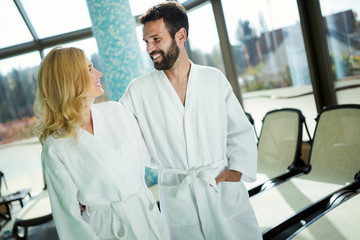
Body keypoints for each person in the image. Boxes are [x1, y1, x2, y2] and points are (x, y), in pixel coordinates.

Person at [120, 1, 262, 239]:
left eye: (156, 39)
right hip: (179, 198)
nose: (149, 48)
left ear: (181, 35)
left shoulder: (213, 79)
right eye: (146, 41)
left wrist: (237, 169)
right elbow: (115, 138)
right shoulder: (138, 92)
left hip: (221, 190)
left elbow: (239, 130)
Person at [34, 46, 170, 239]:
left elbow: (152, 152)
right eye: (89, 69)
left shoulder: (116, 111)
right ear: (71, 80)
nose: (99, 73)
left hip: (148, 217)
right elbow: (68, 218)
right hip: (107, 230)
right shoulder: (56, 146)